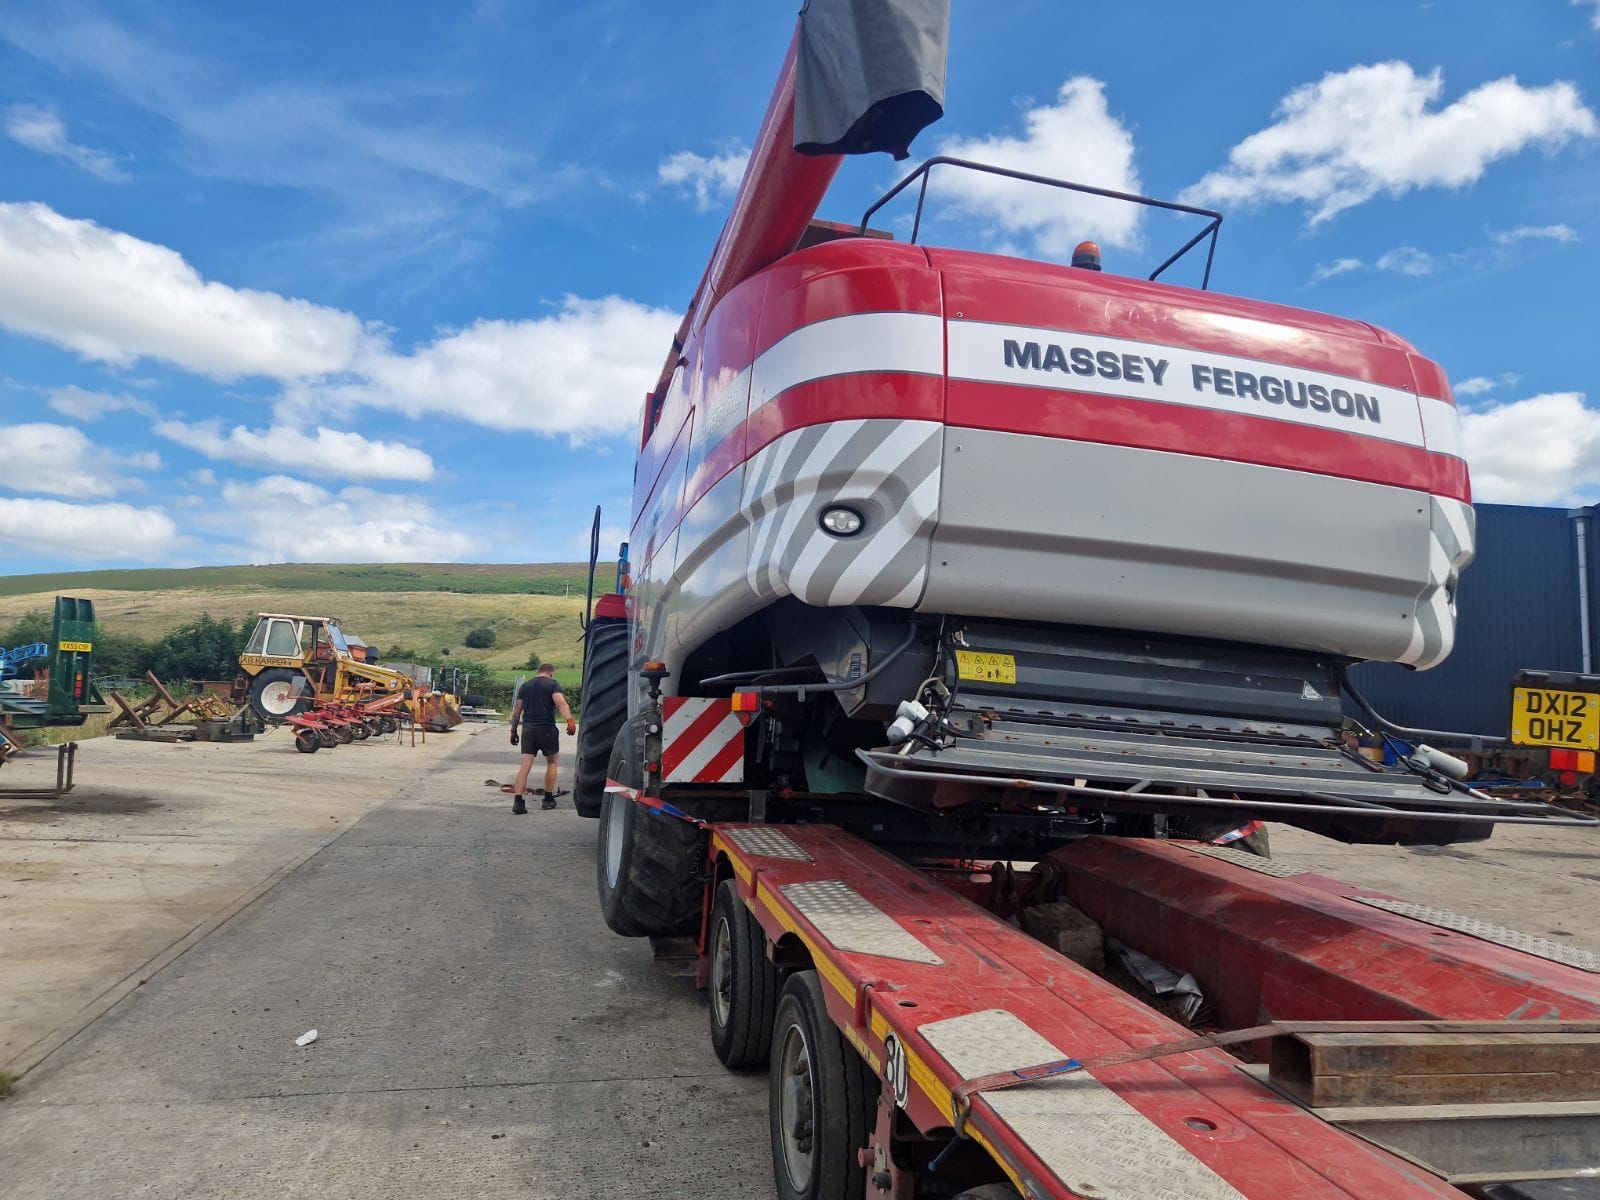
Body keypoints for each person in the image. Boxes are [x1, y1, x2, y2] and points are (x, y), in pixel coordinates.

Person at [508, 664, 576, 813]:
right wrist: (570, 720)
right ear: (551, 673)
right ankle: (547, 799)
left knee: (525, 766)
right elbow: (560, 703)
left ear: (538, 672)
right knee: (552, 763)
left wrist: (513, 731)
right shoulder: (552, 684)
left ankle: (518, 802)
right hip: (546, 729)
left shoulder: (525, 686)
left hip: (528, 730)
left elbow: (517, 712)